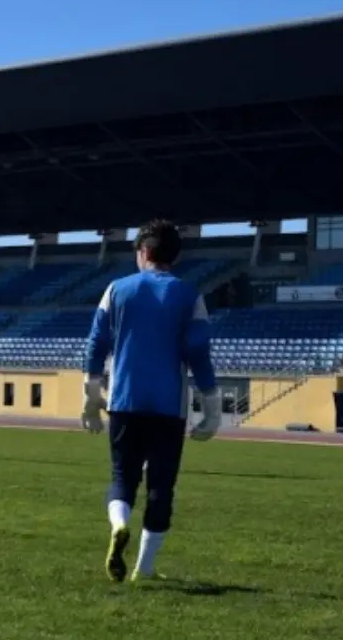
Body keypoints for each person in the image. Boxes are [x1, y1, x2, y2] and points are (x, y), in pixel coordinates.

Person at [81, 219, 221, 583]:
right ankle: (143, 568)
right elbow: (198, 352)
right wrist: (211, 408)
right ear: (174, 256)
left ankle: (119, 525)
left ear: (143, 251)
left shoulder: (116, 289)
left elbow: (96, 345)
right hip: (168, 405)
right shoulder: (189, 296)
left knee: (122, 477)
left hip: (124, 400)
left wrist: (91, 398)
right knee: (161, 486)